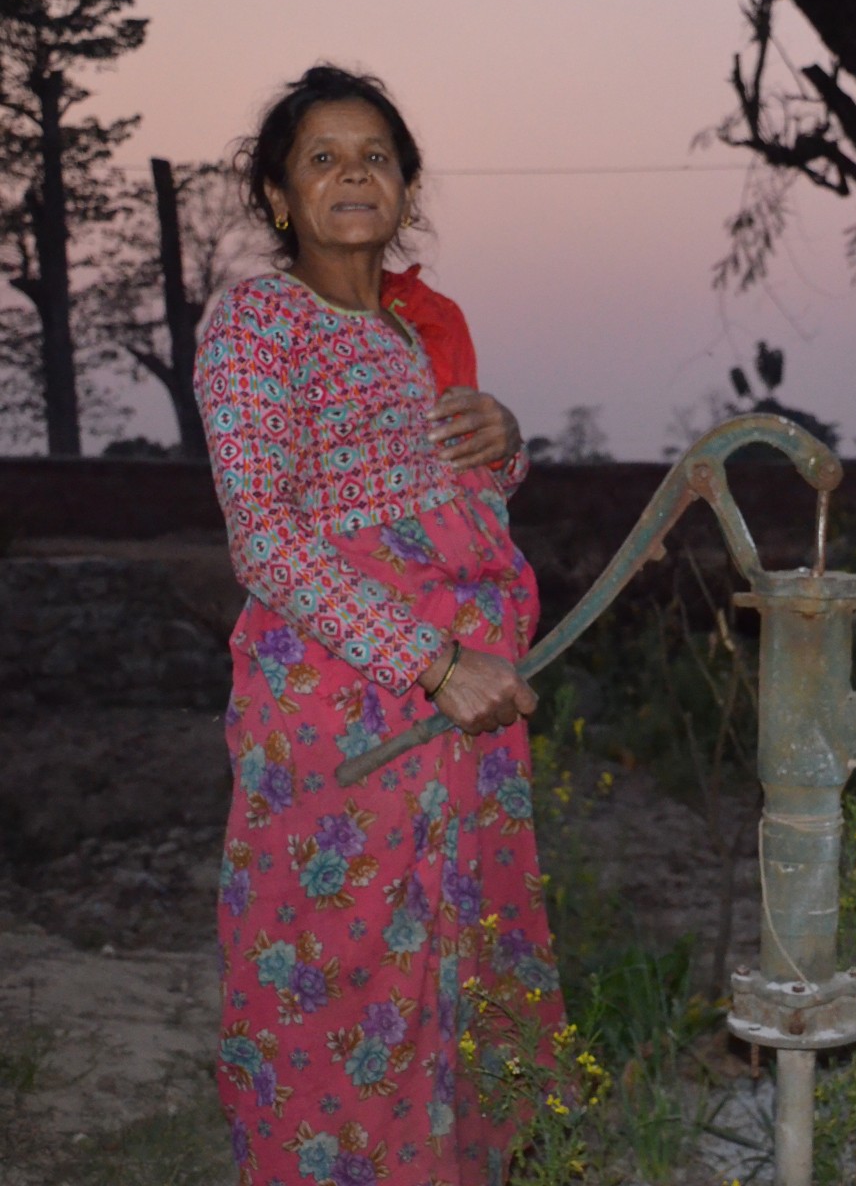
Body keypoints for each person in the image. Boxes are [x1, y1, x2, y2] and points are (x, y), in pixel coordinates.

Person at [194, 64, 562, 1186]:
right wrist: (433, 659)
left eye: (375, 158)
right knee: (343, 976)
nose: (353, 174)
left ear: (405, 187)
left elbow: (451, 506)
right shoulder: (258, 321)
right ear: (275, 197)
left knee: (458, 963)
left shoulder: (417, 334)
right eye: (322, 158)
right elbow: (263, 534)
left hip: (469, 719)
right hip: (351, 712)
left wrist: (504, 443)